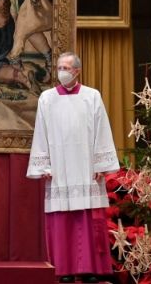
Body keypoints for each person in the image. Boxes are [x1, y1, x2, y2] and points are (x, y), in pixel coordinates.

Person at [27, 52, 119, 283]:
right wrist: (44, 163)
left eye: (66, 67)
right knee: (62, 220)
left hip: (86, 166)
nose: (61, 72)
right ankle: (64, 269)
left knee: (86, 220)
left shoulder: (92, 96)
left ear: (77, 71)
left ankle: (89, 269)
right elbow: (41, 132)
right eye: (59, 67)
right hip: (59, 168)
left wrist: (100, 162)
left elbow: (102, 129)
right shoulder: (46, 98)